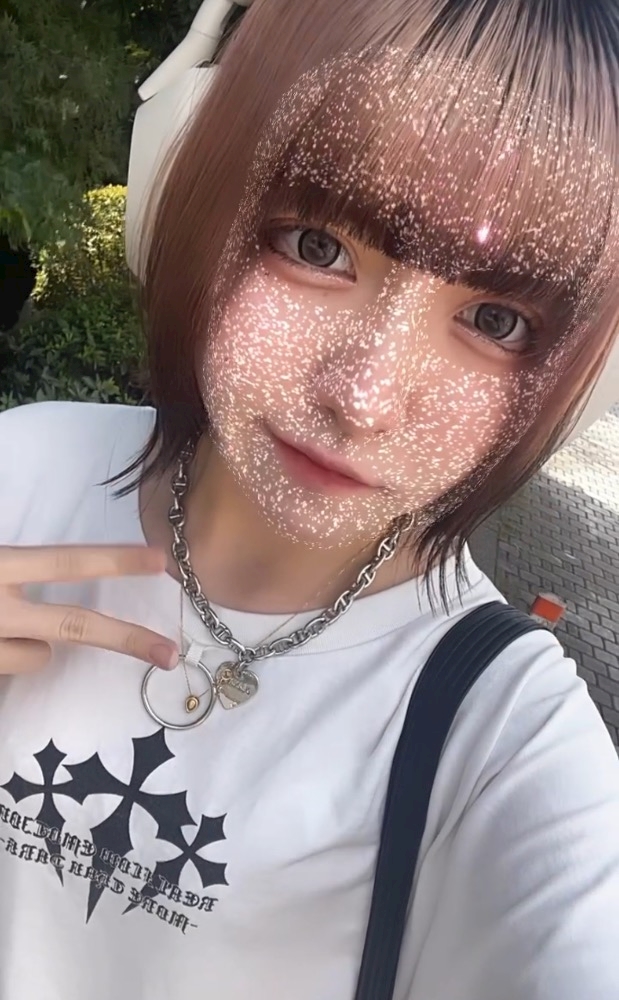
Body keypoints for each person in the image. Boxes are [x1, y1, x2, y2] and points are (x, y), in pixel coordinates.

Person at [1, 1, 619, 998]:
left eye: (494, 319)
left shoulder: (504, 737)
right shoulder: (21, 470)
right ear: (183, 179)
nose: (363, 398)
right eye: (318, 247)